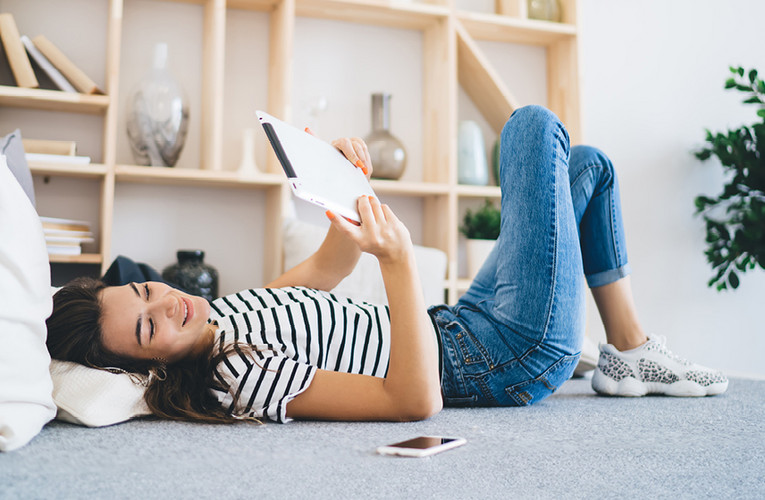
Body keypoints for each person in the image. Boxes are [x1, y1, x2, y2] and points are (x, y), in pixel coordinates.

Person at [45, 105, 728, 424]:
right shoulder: (232, 372)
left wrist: (345, 187)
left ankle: (628, 349)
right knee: (530, 129)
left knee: (586, 167)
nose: (166, 302)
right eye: (146, 328)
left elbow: (326, 270)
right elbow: (413, 399)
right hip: (497, 357)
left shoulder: (222, 315)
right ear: (148, 369)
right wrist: (399, 262)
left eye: (143, 290)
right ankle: (626, 352)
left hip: (463, 324)